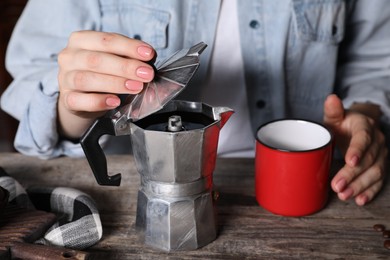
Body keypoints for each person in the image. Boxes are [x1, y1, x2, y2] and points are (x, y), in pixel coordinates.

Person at [1, 0, 389, 207]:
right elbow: (36, 74)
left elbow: (375, 61)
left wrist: (365, 114)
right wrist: (76, 105)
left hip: (302, 181)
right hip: (127, 191)